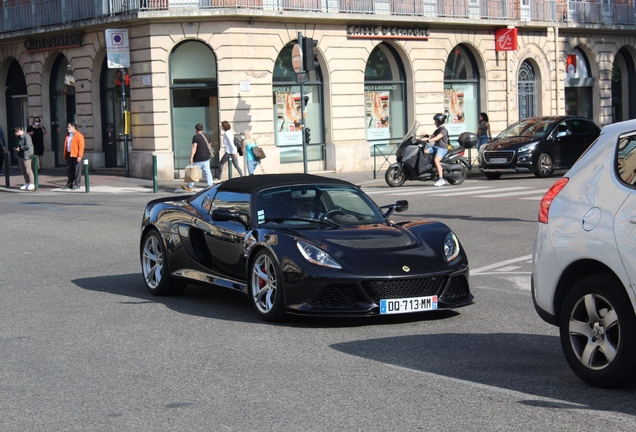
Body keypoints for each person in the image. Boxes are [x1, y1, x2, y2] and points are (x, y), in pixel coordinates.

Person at [182, 123, 214, 192]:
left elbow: (194, 147)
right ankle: (210, 185)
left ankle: (189, 186)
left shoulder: (196, 137)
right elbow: (209, 146)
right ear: (202, 129)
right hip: (206, 157)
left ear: (196, 129)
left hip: (198, 158)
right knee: (208, 172)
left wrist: (191, 158)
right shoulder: (207, 136)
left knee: (194, 172)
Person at [424, 113, 449, 187]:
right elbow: (431, 136)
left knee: (436, 160)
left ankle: (441, 179)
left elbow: (437, 138)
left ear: (440, 121)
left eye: (436, 121)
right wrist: (420, 139)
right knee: (424, 151)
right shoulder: (438, 130)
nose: (434, 123)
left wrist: (429, 140)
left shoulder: (443, 130)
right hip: (436, 147)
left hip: (442, 148)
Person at [63, 122, 85, 190]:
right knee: (69, 170)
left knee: (77, 170)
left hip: (76, 155)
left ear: (73, 127)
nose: (68, 128)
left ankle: (77, 183)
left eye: (69, 127)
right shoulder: (68, 135)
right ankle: (70, 183)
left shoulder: (79, 135)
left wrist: (79, 156)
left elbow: (81, 146)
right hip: (69, 154)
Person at [14, 126, 35, 190]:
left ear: (18, 131)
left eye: (16, 133)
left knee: (28, 170)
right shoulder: (20, 137)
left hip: (26, 155)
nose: (16, 135)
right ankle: (27, 182)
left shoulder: (26, 136)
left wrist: (20, 148)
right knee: (23, 170)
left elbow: (28, 146)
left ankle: (32, 183)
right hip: (21, 155)